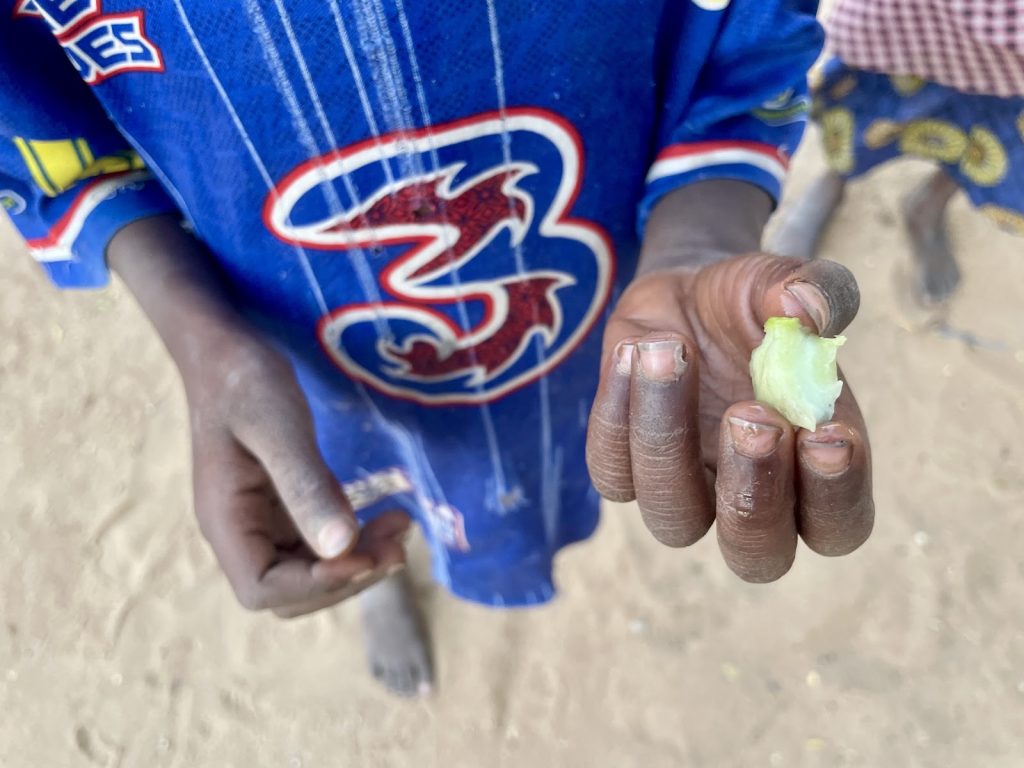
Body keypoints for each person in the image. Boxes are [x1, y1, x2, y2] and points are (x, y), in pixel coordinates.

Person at [1, 0, 873, 698]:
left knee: (569, 434)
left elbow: (751, 29)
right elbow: (28, 110)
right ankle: (372, 569)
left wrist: (697, 242)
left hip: (577, 299)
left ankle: (389, 549)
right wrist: (198, 335)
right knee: (329, 478)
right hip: (286, 317)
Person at [771, 0, 1024, 305]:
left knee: (989, 143)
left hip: (1014, 61)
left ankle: (928, 202)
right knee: (859, 114)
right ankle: (836, 177)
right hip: (910, 22)